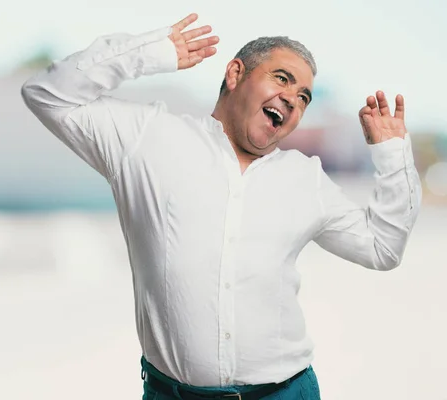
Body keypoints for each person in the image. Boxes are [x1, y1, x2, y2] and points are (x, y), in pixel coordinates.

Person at [21, 13, 422, 400]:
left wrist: (391, 154)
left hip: (286, 393)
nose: (292, 100)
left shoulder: (305, 179)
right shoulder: (145, 139)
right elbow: (46, 94)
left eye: (303, 97)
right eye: (281, 78)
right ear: (235, 74)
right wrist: (150, 52)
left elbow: (382, 249)